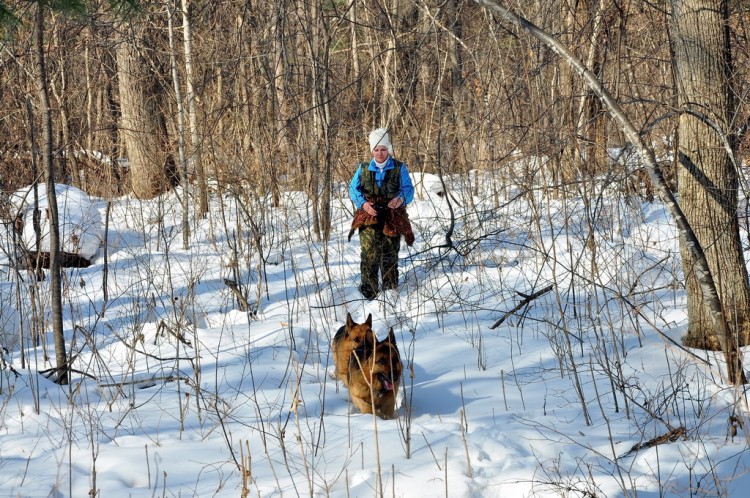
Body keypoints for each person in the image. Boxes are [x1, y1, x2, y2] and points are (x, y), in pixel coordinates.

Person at [348, 127, 415, 300]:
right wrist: (363, 204)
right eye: (376, 150)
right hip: (369, 216)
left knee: (390, 255)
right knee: (369, 255)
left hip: (392, 218)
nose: (379, 153)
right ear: (372, 150)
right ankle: (368, 293)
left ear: (389, 149)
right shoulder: (363, 168)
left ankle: (389, 294)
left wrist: (400, 199)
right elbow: (353, 189)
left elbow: (408, 189)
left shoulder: (399, 168)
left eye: (383, 149)